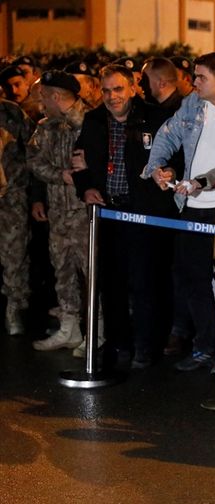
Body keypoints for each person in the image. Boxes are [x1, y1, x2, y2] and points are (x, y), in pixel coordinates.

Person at [145, 52, 215, 372]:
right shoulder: (192, 104)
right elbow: (168, 133)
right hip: (189, 208)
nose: (194, 82)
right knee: (194, 280)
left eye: (201, 77)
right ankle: (204, 345)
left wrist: (199, 182)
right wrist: (157, 166)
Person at [72, 64, 176, 368]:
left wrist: (170, 175)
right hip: (108, 213)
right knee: (111, 283)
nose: (112, 96)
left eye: (118, 89)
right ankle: (119, 344)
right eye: (106, 90)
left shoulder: (155, 118)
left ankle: (147, 346)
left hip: (145, 216)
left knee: (147, 283)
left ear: (132, 88)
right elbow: (79, 161)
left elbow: (174, 158)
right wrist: (86, 188)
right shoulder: (93, 120)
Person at [27, 71, 92, 352]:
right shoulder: (45, 127)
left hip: (86, 213)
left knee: (92, 273)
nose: (39, 103)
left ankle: (96, 331)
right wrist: (61, 175)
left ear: (55, 96)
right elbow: (33, 161)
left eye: (43, 97)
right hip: (59, 212)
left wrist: (81, 178)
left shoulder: (92, 122)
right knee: (62, 271)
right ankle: (70, 328)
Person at [0, 97, 34, 336]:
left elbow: (32, 147)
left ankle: (14, 308)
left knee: (15, 253)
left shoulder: (12, 112)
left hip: (12, 194)